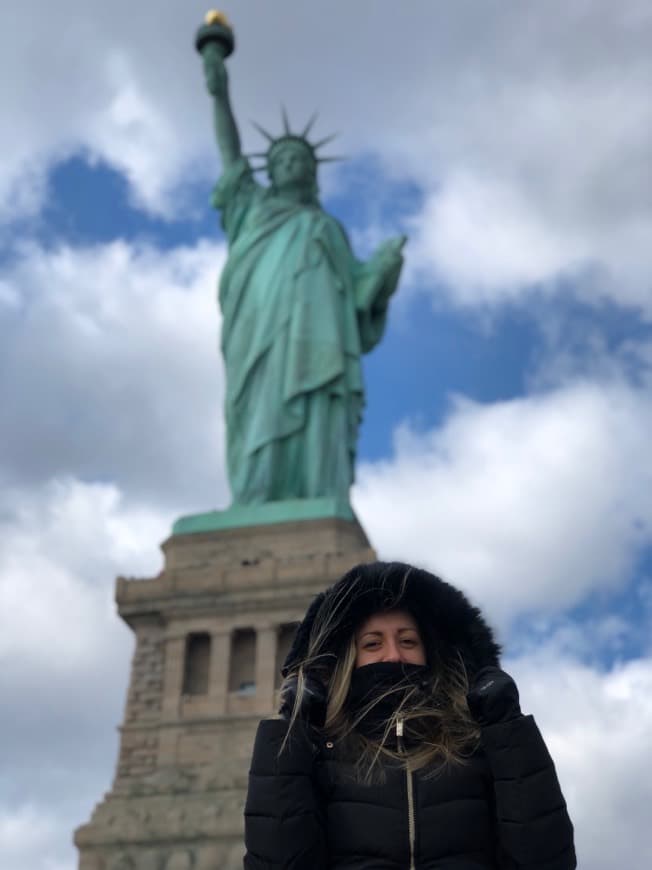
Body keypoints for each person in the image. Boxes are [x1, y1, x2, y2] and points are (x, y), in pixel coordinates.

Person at [243, 561, 577, 869]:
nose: (393, 653)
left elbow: (544, 858)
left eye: (407, 640)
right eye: (373, 644)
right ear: (347, 661)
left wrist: (508, 729)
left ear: (431, 653)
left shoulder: (475, 745)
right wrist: (293, 734)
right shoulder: (321, 753)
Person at [201, 33, 406, 505]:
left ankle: (316, 492)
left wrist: (383, 273)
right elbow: (230, 151)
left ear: (312, 173)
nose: (292, 162)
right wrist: (219, 91)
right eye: (282, 158)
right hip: (259, 332)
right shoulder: (250, 208)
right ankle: (255, 499)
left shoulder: (327, 228)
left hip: (320, 344)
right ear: (269, 170)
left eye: (301, 159)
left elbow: (358, 299)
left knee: (316, 407)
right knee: (257, 408)